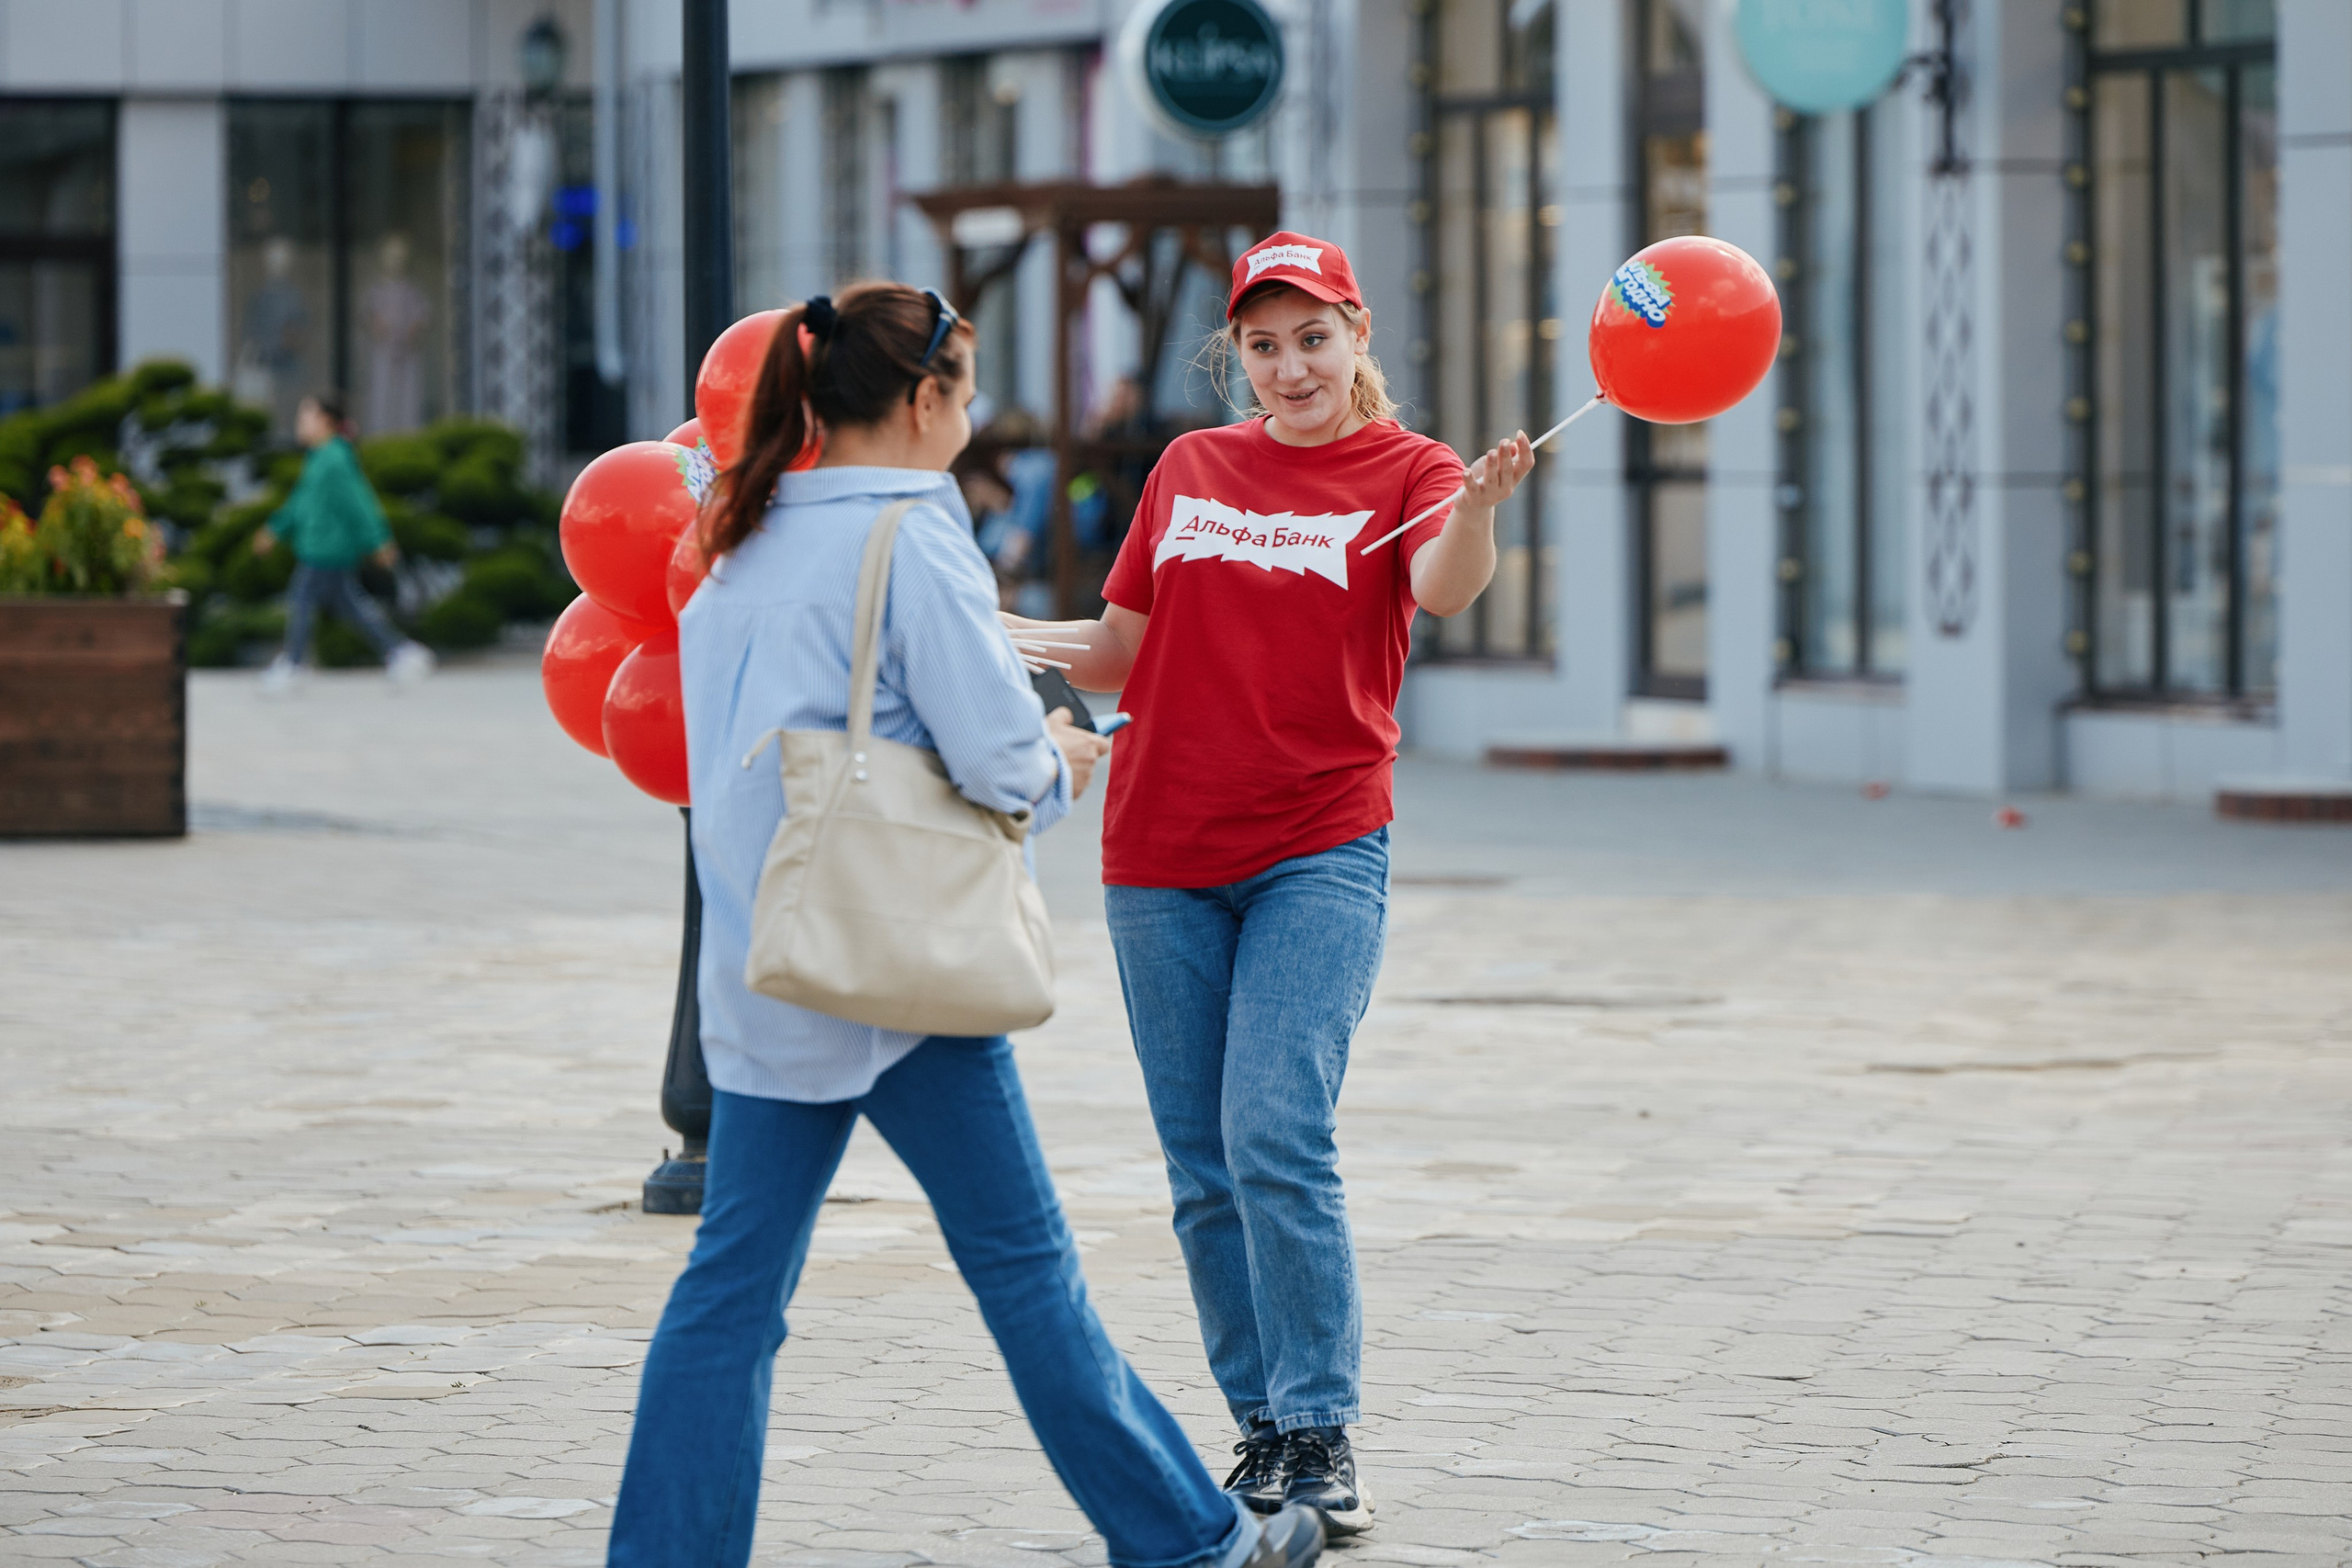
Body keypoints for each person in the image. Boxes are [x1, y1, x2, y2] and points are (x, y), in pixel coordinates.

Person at [608, 281, 1329, 1568]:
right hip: (902, 968)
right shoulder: (914, 531)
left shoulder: (735, 531)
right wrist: (1064, 753)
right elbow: (999, 764)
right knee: (1029, 1275)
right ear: (923, 398)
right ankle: (1191, 1539)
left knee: (729, 1296)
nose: (975, 414)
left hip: (770, 965)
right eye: (968, 387)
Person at [1001, 232, 1534, 1538]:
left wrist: (1474, 506)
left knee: (1275, 1133)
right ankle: (1263, 1430)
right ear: (1235, 353)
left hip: (1317, 844)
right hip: (1161, 853)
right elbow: (1119, 650)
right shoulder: (1190, 466)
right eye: (1264, 342)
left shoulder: (1408, 471)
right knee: (1200, 1165)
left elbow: (1441, 592)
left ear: (1355, 336)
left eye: (1313, 337)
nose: (1290, 365)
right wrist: (986, 626)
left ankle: (1323, 1423)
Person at [252, 390, 435, 693]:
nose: (299, 423)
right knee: (352, 607)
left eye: (305, 416)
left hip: (327, 548)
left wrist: (379, 541)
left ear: (325, 421)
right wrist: (275, 530)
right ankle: (401, 652)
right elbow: (299, 503)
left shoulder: (335, 458)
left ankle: (294, 664)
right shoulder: (319, 458)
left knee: (301, 600)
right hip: (320, 546)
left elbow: (359, 503)